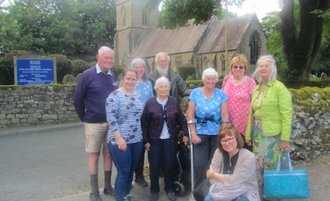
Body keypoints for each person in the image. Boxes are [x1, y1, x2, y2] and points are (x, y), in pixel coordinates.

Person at [245, 55, 292, 201]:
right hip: (257, 134)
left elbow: (287, 115)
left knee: (271, 166)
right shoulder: (257, 88)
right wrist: (248, 134)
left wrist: (285, 139)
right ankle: (260, 195)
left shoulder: (279, 88)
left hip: (273, 135)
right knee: (258, 167)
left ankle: (273, 195)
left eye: (266, 66)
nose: (263, 68)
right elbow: (251, 114)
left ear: (273, 69)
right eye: (261, 66)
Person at [73, 46, 117, 201]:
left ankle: (107, 187)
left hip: (110, 123)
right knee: (94, 155)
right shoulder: (87, 75)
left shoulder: (112, 75)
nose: (109, 60)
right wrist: (84, 119)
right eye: (106, 57)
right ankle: (94, 191)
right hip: (93, 123)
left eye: (111, 58)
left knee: (108, 153)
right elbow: (77, 100)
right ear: (98, 58)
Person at [141, 76, 189, 201]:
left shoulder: (173, 102)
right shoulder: (150, 103)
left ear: (169, 88)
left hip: (170, 140)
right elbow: (144, 123)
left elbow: (182, 120)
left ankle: (169, 188)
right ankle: (154, 191)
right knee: (154, 166)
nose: (163, 89)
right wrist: (145, 141)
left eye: (166, 86)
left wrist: (185, 134)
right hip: (154, 141)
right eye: (161, 87)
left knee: (169, 165)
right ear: (156, 89)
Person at [187, 67, 229, 189]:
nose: (211, 81)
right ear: (204, 79)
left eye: (213, 79)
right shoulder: (195, 93)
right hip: (200, 134)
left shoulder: (221, 94)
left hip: (216, 134)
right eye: (208, 78)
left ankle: (214, 189)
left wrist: (223, 134)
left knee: (215, 164)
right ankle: (199, 191)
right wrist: (193, 133)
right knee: (199, 164)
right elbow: (190, 115)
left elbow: (225, 116)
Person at [106, 68, 144, 201]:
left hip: (137, 140)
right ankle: (119, 198)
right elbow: (111, 120)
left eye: (133, 79)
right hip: (119, 141)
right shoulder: (114, 96)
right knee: (123, 171)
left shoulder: (138, 95)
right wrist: (119, 139)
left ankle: (126, 194)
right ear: (122, 79)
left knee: (131, 170)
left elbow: (139, 117)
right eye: (128, 78)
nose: (130, 81)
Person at [120, 58, 154, 187]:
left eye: (141, 67)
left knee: (144, 148)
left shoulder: (148, 84)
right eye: (137, 67)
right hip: (130, 121)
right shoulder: (128, 82)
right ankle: (129, 177)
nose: (139, 70)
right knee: (134, 151)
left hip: (145, 120)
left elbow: (151, 101)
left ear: (144, 69)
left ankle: (139, 176)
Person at [204, 124, 260, 201]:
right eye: (223, 140)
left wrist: (213, 174)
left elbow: (235, 179)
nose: (227, 143)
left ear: (237, 138)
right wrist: (227, 188)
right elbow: (212, 180)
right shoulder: (218, 153)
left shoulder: (248, 156)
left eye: (230, 139)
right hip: (222, 191)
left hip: (245, 193)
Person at [222, 54, 257, 151]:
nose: (238, 69)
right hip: (229, 123)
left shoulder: (250, 82)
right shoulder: (227, 79)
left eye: (241, 67)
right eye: (235, 66)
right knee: (230, 150)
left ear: (245, 68)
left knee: (244, 151)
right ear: (231, 68)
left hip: (244, 124)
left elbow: (254, 104)